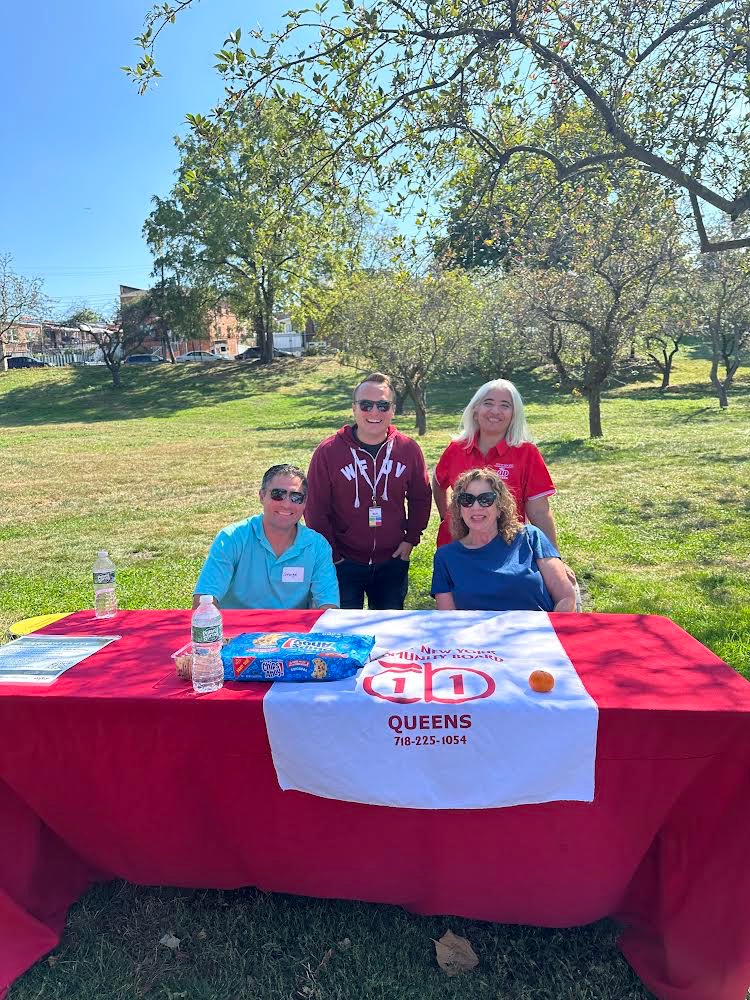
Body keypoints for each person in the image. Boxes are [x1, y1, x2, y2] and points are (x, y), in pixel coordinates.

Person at [305, 372, 432, 610]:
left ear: (393, 410)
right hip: (343, 562)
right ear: (354, 408)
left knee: (387, 632)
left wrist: (410, 540)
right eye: (366, 405)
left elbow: (421, 498)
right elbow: (315, 509)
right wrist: (333, 555)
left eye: (383, 405)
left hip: (393, 560)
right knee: (343, 633)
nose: (374, 412)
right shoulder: (329, 451)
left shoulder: (408, 449)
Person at [193, 463, 339, 610]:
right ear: (262, 496)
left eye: (296, 497)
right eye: (278, 495)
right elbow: (205, 599)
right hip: (236, 631)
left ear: (305, 502)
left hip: (292, 633)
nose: (286, 504)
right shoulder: (231, 538)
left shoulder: (317, 546)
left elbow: (328, 605)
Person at [433, 379, 558, 548]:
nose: (495, 411)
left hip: (507, 549)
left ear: (514, 414)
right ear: (475, 410)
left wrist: (553, 557)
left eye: (505, 405)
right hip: (456, 547)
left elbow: (540, 512)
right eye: (488, 403)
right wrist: (447, 515)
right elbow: (438, 482)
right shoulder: (456, 449)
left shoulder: (527, 453)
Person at [431, 467, 576, 612]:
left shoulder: (531, 538)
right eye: (467, 500)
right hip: (477, 634)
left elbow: (566, 597)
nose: (476, 507)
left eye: (485, 499)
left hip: (537, 632)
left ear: (500, 507)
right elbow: (448, 619)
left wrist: (549, 633)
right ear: (459, 509)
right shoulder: (446, 557)